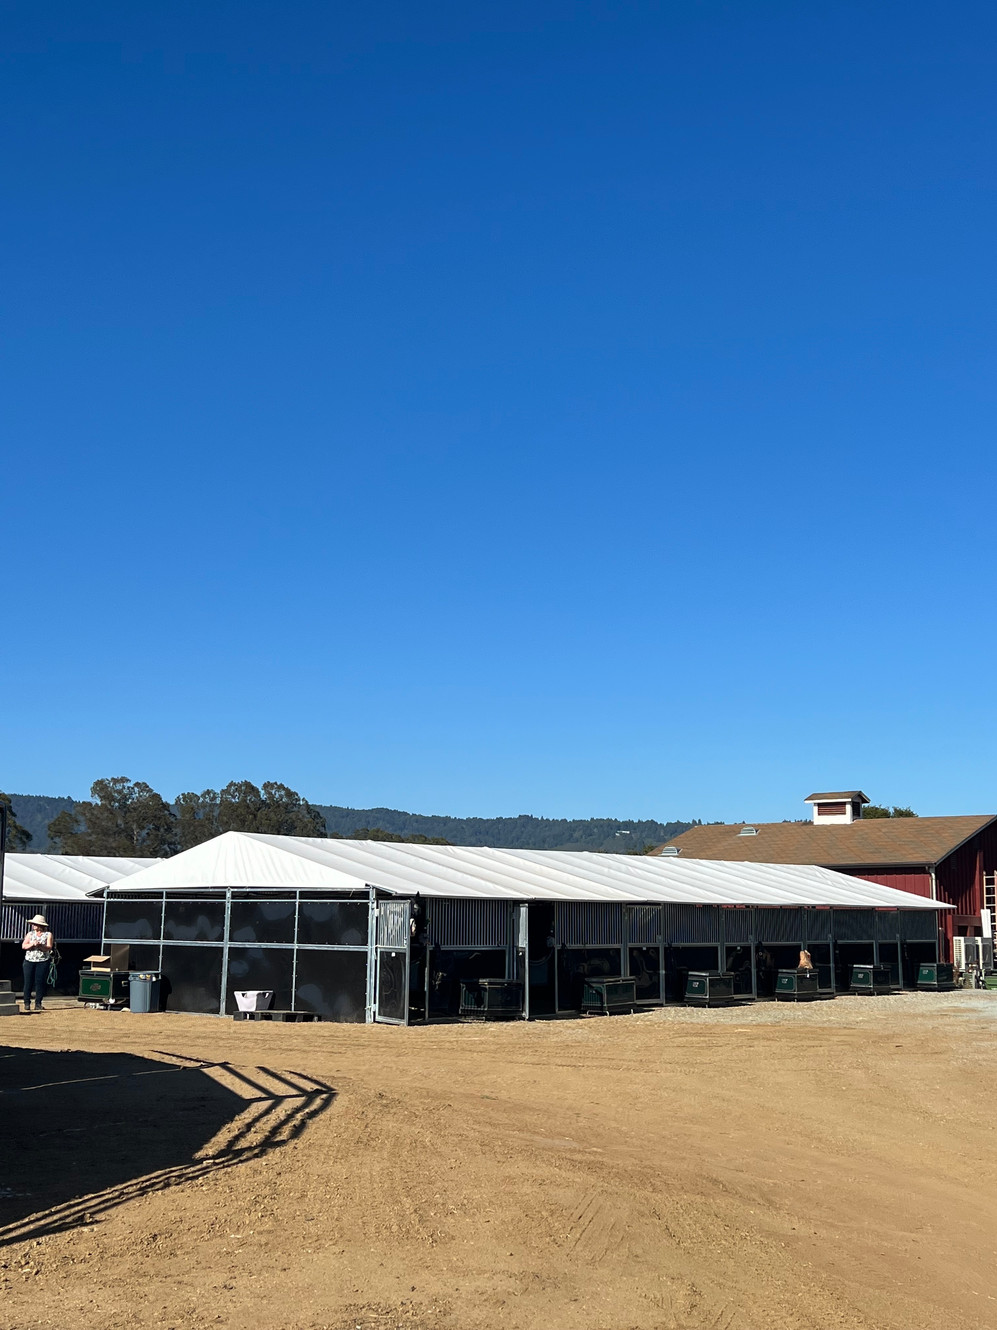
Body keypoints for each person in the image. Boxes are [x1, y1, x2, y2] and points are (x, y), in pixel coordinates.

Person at [21, 914, 54, 1013]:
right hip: (29, 960)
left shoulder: (48, 934)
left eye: (35, 924)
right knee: (28, 982)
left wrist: (40, 946)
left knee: (39, 982)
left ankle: (38, 1003)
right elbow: (24, 946)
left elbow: (49, 947)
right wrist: (32, 944)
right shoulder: (30, 934)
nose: (33, 926)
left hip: (42, 961)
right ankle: (27, 1003)